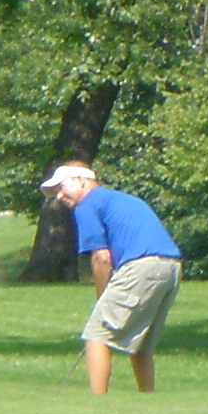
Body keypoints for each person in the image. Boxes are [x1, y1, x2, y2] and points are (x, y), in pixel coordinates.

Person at [41, 163, 181, 395]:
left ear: (82, 181)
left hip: (141, 265)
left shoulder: (86, 205)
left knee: (96, 334)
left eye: (62, 187)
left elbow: (102, 259)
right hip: (171, 268)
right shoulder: (123, 199)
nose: (60, 196)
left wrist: (101, 295)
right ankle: (148, 399)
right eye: (56, 192)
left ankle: (98, 402)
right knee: (141, 341)